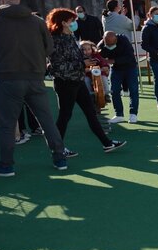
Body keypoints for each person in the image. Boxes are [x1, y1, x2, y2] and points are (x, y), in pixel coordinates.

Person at [0, 0, 68, 176]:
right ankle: (59, 158)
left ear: (1, 0)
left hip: (7, 78)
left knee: (7, 124)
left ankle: (6, 165)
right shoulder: (37, 21)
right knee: (46, 120)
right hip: (36, 77)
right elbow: (49, 48)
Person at [45, 9, 126, 156]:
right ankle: (57, 148)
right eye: (72, 21)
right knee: (65, 116)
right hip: (65, 83)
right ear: (63, 23)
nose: (75, 23)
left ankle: (107, 143)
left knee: (90, 112)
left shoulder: (70, 37)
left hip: (78, 80)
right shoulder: (55, 40)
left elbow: (75, 58)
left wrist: (87, 62)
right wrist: (82, 64)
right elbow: (57, 66)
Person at [99, 30, 140, 124]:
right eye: (107, 44)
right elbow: (99, 55)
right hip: (116, 69)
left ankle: (133, 114)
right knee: (114, 90)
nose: (110, 46)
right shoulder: (102, 44)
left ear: (116, 39)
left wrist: (114, 60)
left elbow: (129, 57)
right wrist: (102, 53)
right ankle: (119, 114)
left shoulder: (124, 40)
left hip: (130, 68)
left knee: (133, 90)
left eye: (112, 44)